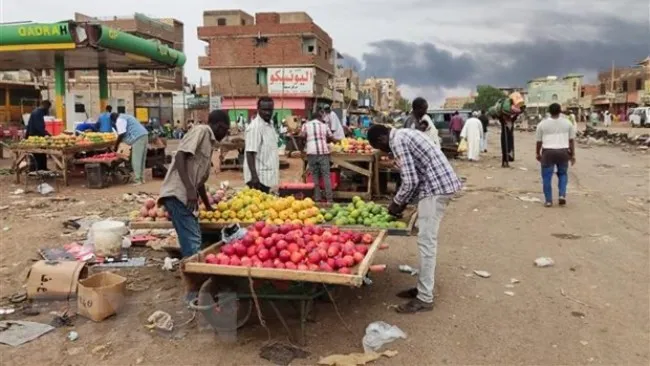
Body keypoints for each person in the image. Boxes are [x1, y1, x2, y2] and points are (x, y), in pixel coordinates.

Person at [367, 124, 462, 313]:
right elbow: (416, 177)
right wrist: (403, 203)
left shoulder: (398, 140)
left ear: (381, 140)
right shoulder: (404, 134)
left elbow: (410, 181)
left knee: (427, 242)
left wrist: (396, 203)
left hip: (436, 190)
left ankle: (425, 298)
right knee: (426, 241)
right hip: (438, 186)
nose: (384, 152)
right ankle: (422, 288)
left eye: (380, 148)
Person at [159, 110, 230, 257]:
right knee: (193, 242)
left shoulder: (209, 143)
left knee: (194, 237)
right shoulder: (202, 131)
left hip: (186, 198)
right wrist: (190, 189)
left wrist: (208, 206)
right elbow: (180, 155)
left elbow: (199, 182)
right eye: (226, 130)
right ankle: (193, 274)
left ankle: (191, 268)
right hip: (178, 195)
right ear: (220, 126)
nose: (225, 135)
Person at [536, 103, 576, 207]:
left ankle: (548, 201)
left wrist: (537, 153)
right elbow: (571, 141)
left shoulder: (542, 124)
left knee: (546, 177)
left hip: (548, 152)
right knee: (563, 174)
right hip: (563, 152)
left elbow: (539, 141)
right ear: (560, 111)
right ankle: (562, 195)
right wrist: (573, 155)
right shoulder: (567, 123)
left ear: (549, 111)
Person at [301, 106, 338, 202]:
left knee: (315, 176)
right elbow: (332, 138)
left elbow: (302, 136)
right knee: (326, 175)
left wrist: (307, 141)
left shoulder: (306, 125)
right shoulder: (324, 125)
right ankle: (329, 199)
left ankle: (317, 198)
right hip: (323, 153)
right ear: (319, 118)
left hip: (311, 153)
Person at [244, 97, 279, 193]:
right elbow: (250, 153)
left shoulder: (270, 125)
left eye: (270, 110)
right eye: (264, 110)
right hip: (259, 181)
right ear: (258, 109)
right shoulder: (255, 127)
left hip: (269, 179)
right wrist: (254, 177)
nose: (267, 113)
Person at [110, 113, 149, 185]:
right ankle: (142, 179)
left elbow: (122, 133)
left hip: (137, 137)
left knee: (136, 159)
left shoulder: (120, 120)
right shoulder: (127, 116)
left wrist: (116, 146)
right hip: (144, 135)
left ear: (114, 119)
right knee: (142, 159)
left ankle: (138, 180)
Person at [25, 100, 52, 171]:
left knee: (42, 154)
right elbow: (39, 127)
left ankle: (42, 168)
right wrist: (48, 134)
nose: (48, 110)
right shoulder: (38, 113)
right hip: (35, 137)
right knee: (37, 154)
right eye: (48, 108)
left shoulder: (37, 111)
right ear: (46, 106)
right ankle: (36, 170)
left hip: (36, 136)